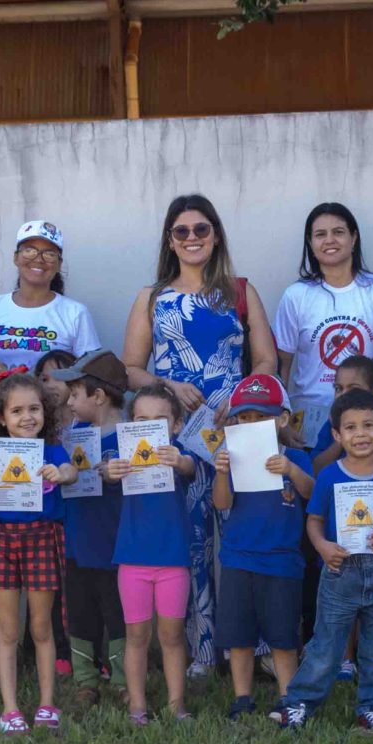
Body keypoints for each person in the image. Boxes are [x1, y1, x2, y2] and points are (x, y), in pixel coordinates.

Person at [122, 193, 278, 668]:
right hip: (177, 438)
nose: (192, 238)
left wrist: (242, 395)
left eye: (201, 229)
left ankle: (254, 647)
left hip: (236, 431)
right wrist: (167, 383)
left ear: (216, 235)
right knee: (191, 544)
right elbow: (129, 367)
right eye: (181, 231)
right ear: (170, 240)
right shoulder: (152, 297)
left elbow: (267, 359)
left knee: (242, 540)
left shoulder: (240, 291)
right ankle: (201, 650)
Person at [277, 388, 373, 733]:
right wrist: (323, 546)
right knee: (326, 646)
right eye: (351, 428)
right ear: (337, 435)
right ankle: (298, 704)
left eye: (368, 425)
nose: (361, 434)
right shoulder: (329, 476)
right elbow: (313, 520)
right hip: (340, 571)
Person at [0, 369, 81, 732]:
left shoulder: (51, 451)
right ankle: (10, 709)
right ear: (1, 418)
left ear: (45, 413)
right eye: (17, 411)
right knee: (7, 629)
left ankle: (47, 705)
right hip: (2, 540)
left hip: (41, 539)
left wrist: (61, 473)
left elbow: (71, 471)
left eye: (34, 409)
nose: (27, 417)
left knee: (40, 628)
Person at [211, 373, 317, 717]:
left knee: (283, 637)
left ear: (282, 419)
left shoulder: (296, 458)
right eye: (244, 418)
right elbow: (222, 503)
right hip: (239, 559)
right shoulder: (232, 457)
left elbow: (313, 495)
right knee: (238, 637)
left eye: (261, 417)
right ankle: (242, 698)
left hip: (282, 562)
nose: (252, 424)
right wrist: (222, 473)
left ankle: (289, 698)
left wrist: (291, 470)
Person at [274, 202, 373, 441]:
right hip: (309, 419)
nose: (330, 240)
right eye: (320, 234)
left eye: (338, 232)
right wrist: (279, 418)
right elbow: (281, 365)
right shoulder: (295, 296)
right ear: (310, 242)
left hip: (368, 418)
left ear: (354, 238)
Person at [112, 385, 203, 722]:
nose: (149, 426)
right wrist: (108, 471)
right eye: (141, 419)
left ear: (176, 425)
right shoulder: (122, 454)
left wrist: (179, 462)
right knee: (136, 636)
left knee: (172, 635)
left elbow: (190, 467)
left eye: (159, 420)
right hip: (132, 561)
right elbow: (104, 470)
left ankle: (176, 705)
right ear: (130, 423)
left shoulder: (179, 454)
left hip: (172, 561)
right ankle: (137, 705)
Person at [57, 352, 131, 688]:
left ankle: (120, 680)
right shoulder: (72, 437)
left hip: (115, 548)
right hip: (76, 545)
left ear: (98, 396)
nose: (69, 401)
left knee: (117, 614)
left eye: (75, 394)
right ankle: (85, 680)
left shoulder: (130, 439)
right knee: (80, 613)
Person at [0, 220, 102, 373]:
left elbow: (92, 372)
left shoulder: (75, 313)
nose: (38, 259)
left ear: (58, 264)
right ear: (16, 257)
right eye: (29, 251)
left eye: (49, 254)